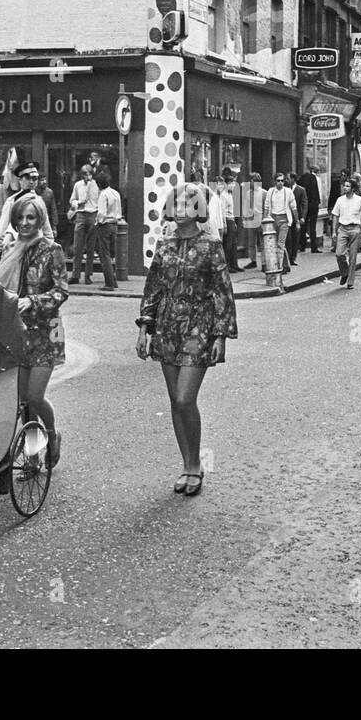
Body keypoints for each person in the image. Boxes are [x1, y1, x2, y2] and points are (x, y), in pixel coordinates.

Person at [136, 183, 238, 497]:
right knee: (174, 402)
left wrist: (221, 334)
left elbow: (222, 291)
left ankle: (196, 465)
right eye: (176, 202)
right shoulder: (164, 243)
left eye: (187, 203)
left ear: (198, 209)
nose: (180, 208)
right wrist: (144, 327)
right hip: (167, 326)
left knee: (184, 398)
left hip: (199, 325)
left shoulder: (211, 245)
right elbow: (153, 288)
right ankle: (188, 465)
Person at [0, 194, 68, 468]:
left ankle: (52, 435)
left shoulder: (52, 250)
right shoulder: (11, 249)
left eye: (31, 217)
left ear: (40, 219)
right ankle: (34, 456)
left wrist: (33, 300)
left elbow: (62, 291)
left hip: (46, 332)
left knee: (35, 397)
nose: (24, 223)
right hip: (18, 332)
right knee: (24, 402)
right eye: (20, 218)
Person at [0, 162, 55, 243]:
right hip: (15, 246)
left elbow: (47, 230)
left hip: (37, 248)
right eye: (27, 178)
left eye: (34, 179)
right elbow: (2, 228)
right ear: (20, 180)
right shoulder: (12, 201)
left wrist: (49, 245)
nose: (31, 182)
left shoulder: (39, 201)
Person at [330, 178, 361, 289]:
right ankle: (344, 273)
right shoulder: (340, 200)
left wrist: (360, 229)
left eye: (347, 186)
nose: (345, 188)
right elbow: (335, 215)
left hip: (354, 229)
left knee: (353, 257)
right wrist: (334, 231)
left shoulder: (359, 200)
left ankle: (350, 282)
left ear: (352, 188)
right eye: (344, 186)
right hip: (343, 228)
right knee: (339, 254)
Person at [264, 172, 297, 291]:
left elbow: (293, 207)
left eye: (282, 181)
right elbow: (267, 206)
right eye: (278, 180)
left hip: (284, 220)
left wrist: (297, 221)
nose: (280, 183)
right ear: (274, 181)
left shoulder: (288, 192)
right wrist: (265, 220)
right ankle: (286, 265)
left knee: (280, 244)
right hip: (273, 219)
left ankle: (279, 268)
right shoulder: (270, 191)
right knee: (277, 245)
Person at [68, 163, 100, 284]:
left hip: (93, 214)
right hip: (81, 214)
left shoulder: (96, 185)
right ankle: (75, 275)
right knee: (78, 247)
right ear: (82, 175)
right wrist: (77, 202)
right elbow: (72, 200)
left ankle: (88, 275)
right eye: (85, 174)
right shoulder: (78, 185)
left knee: (91, 247)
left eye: (90, 173)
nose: (88, 176)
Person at [93, 170, 122, 292]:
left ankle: (109, 283)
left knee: (104, 255)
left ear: (99, 184)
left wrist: (97, 223)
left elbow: (101, 213)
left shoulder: (103, 195)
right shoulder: (115, 193)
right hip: (115, 224)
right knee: (110, 254)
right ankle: (113, 281)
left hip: (105, 225)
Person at [220, 168, 241, 272]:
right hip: (227, 221)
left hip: (231, 220)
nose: (233, 186)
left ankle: (234, 264)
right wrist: (224, 224)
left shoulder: (230, 194)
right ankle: (227, 265)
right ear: (227, 184)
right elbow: (223, 211)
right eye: (232, 184)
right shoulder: (224, 195)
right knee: (228, 244)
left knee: (233, 244)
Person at [299, 164, 322, 253]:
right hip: (313, 204)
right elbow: (317, 192)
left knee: (303, 225)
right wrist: (318, 202)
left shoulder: (303, 177)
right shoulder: (316, 179)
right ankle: (313, 247)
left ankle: (302, 245)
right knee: (313, 226)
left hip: (305, 204)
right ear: (316, 171)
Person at [286, 173, 307, 266]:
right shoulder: (285, 189)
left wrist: (302, 217)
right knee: (288, 239)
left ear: (293, 179)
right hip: (287, 217)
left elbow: (304, 204)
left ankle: (292, 258)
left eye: (288, 179)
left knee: (295, 238)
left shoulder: (301, 190)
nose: (286, 181)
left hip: (296, 217)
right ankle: (287, 258)